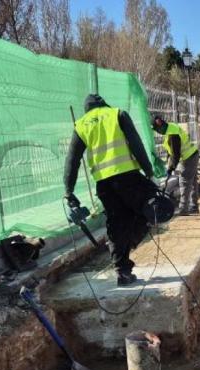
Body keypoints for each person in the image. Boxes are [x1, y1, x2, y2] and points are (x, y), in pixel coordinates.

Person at [64, 94, 158, 286]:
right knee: (150, 209)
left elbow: (72, 160)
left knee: (116, 224)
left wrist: (69, 190)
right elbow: (136, 144)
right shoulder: (117, 114)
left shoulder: (81, 124)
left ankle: (122, 272)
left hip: (105, 184)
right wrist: (149, 172)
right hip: (129, 177)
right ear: (103, 103)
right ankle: (129, 240)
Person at [151, 114, 200, 216]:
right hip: (192, 154)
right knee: (192, 182)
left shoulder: (172, 134)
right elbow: (171, 151)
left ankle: (183, 209)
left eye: (156, 130)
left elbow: (175, 154)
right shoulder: (171, 128)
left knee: (184, 182)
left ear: (160, 125)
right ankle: (194, 207)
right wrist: (168, 163)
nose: (157, 132)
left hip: (188, 158)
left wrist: (171, 168)